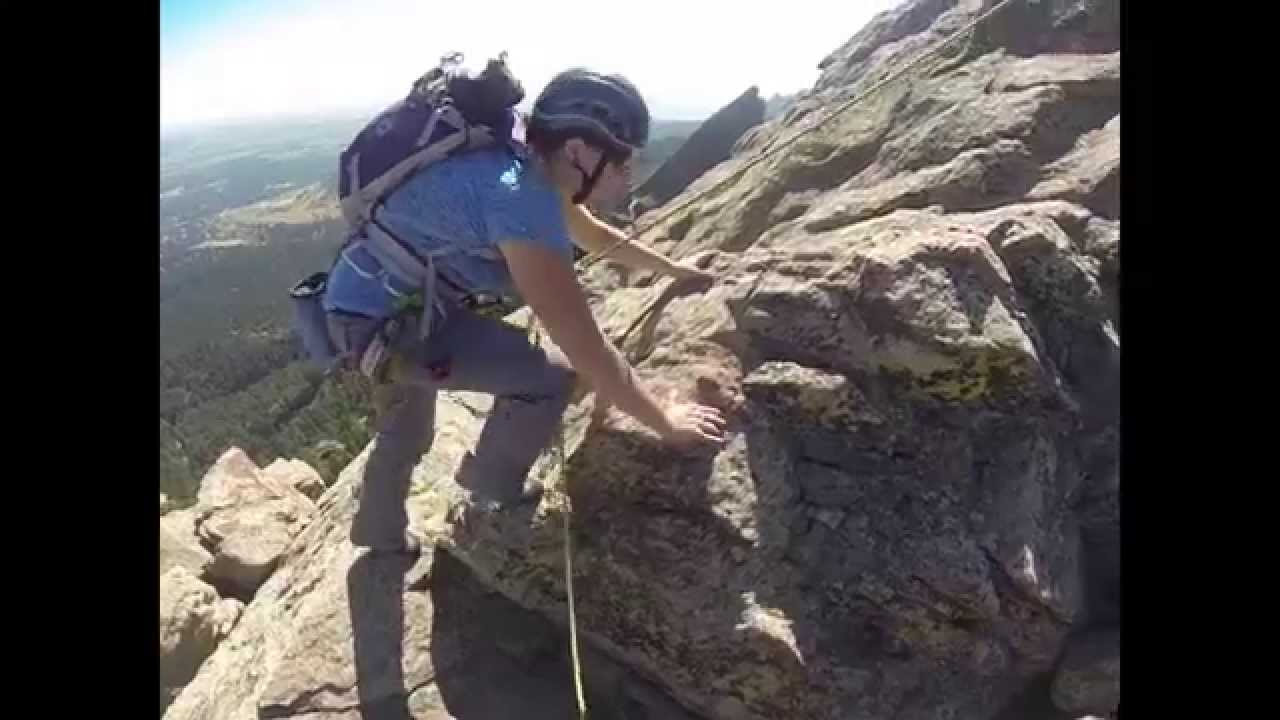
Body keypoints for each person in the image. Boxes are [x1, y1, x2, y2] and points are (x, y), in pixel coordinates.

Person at [322, 68, 728, 553]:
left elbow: (595, 236)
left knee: (405, 430)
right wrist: (664, 421)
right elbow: (586, 349)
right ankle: (490, 496)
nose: (627, 175)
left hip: (364, 304)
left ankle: (376, 535)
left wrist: (672, 269)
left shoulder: (525, 163)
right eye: (620, 162)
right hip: (397, 327)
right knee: (550, 378)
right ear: (579, 150)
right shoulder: (521, 201)